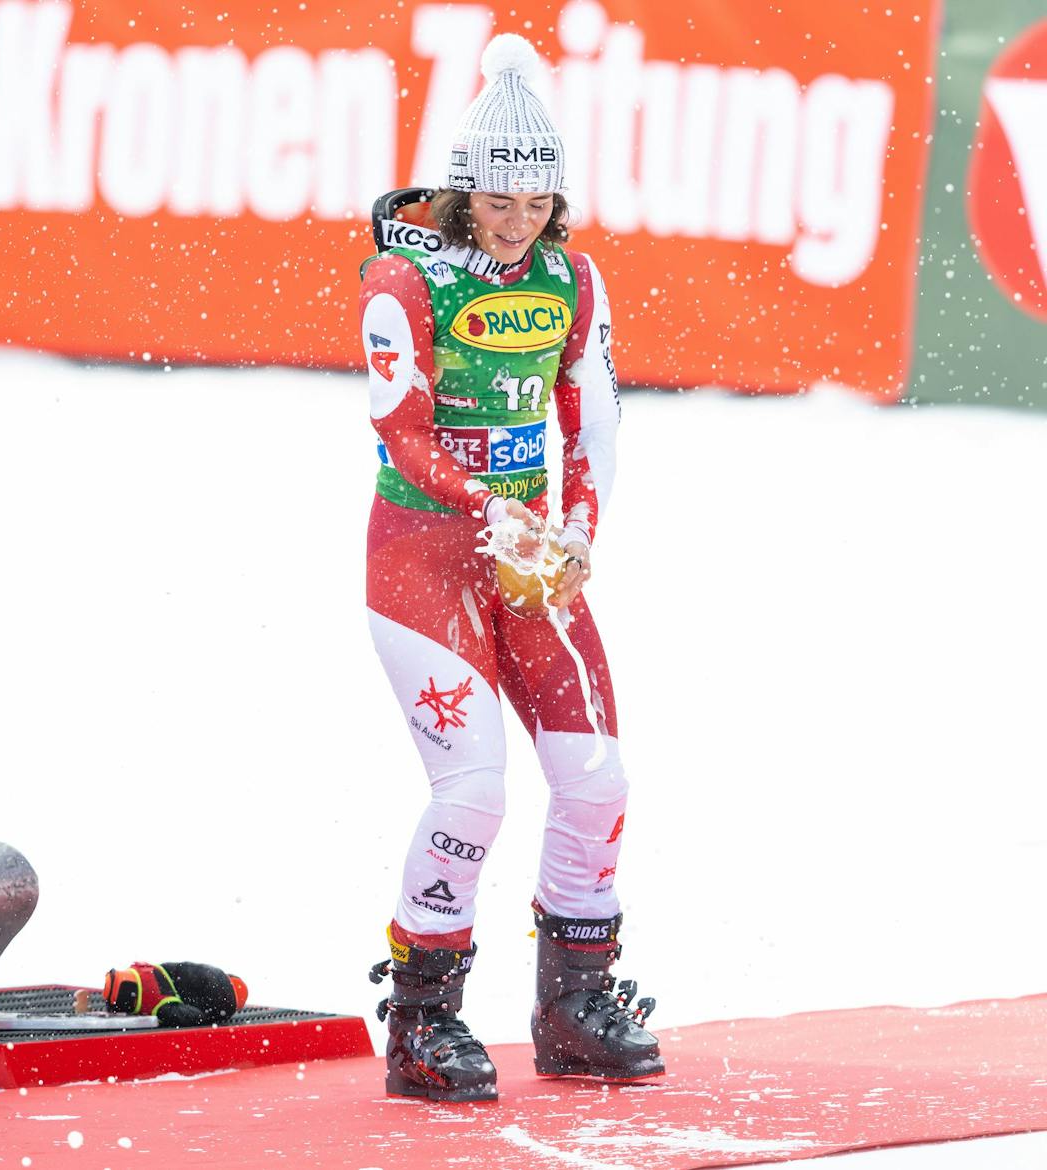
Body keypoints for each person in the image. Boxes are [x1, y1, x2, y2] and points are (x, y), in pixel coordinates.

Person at [361, 37, 661, 1102]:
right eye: (496, 198)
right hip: (420, 558)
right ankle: (421, 1020)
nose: (516, 218)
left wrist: (576, 525)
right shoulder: (404, 278)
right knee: (474, 789)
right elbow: (399, 432)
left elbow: (594, 418)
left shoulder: (573, 280)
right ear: (463, 188)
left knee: (595, 778)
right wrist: (493, 507)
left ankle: (573, 1004)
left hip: (529, 558)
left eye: (536, 200)